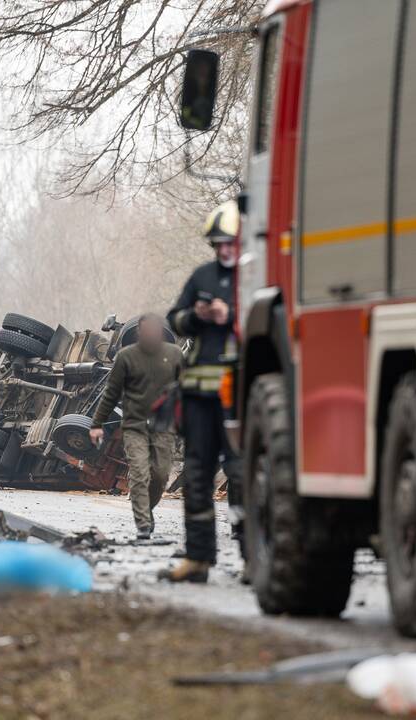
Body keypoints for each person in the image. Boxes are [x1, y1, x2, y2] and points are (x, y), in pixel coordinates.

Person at [159, 199, 244, 583]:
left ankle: (252, 559)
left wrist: (233, 315)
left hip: (239, 396)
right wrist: (198, 315)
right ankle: (198, 558)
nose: (224, 251)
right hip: (198, 400)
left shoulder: (257, 274)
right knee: (196, 475)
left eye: (231, 243)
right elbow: (174, 319)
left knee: (241, 475)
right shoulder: (202, 276)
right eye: (218, 244)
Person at [89, 313, 183, 540]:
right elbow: (111, 393)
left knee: (160, 475)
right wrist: (97, 424)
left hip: (164, 425)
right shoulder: (126, 357)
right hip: (134, 425)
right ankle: (142, 523)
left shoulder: (174, 355)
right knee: (139, 473)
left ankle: (146, 510)